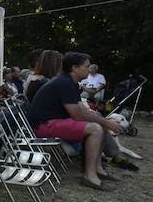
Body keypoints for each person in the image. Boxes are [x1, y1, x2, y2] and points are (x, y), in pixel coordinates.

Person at [27, 52, 125, 191]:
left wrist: (104, 122)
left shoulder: (69, 81)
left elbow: (80, 109)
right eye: (87, 66)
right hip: (43, 125)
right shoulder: (64, 83)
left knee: (100, 125)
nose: (90, 68)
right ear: (74, 68)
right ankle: (89, 176)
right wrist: (107, 122)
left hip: (52, 121)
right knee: (96, 128)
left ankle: (97, 169)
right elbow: (78, 115)